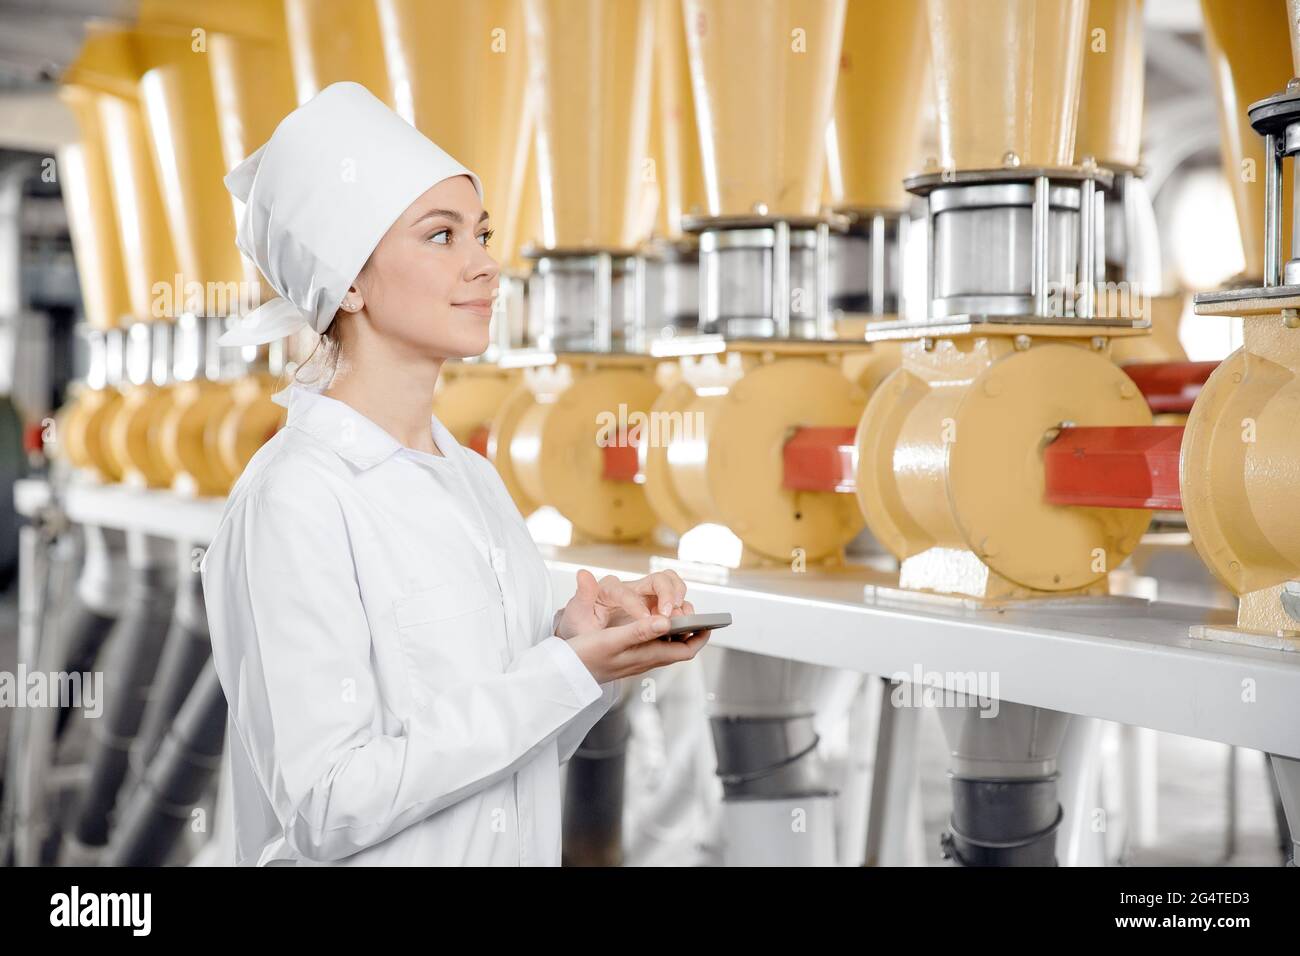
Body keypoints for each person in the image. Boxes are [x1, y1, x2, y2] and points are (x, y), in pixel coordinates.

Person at [199, 82, 712, 866]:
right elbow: (327, 805)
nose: (484, 264)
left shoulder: (473, 481)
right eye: (441, 237)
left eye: (482, 232)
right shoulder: (296, 499)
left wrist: (590, 655)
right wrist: (558, 674)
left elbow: (512, 758)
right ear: (351, 282)